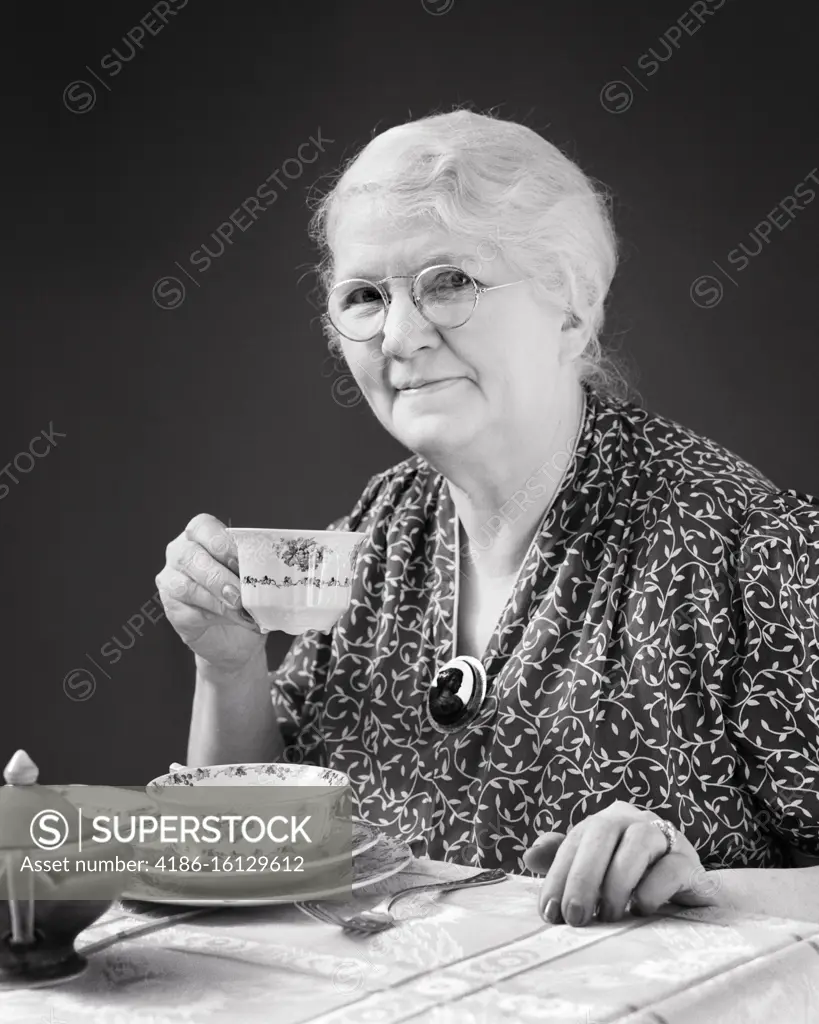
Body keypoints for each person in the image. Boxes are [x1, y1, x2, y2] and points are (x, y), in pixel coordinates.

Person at [156, 109, 819, 927]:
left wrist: (702, 884)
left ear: (571, 308)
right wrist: (229, 667)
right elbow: (244, 859)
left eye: (449, 281)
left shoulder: (746, 545)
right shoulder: (383, 524)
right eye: (364, 296)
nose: (399, 336)